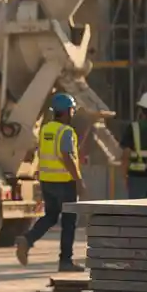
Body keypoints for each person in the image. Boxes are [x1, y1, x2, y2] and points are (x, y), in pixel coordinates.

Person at [16, 93, 85, 273]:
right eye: (72, 110)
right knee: (69, 221)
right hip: (64, 182)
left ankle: (28, 239)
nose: (73, 113)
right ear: (66, 111)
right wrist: (78, 180)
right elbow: (66, 156)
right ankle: (65, 261)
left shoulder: (46, 129)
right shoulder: (66, 131)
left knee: (51, 216)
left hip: (47, 181)